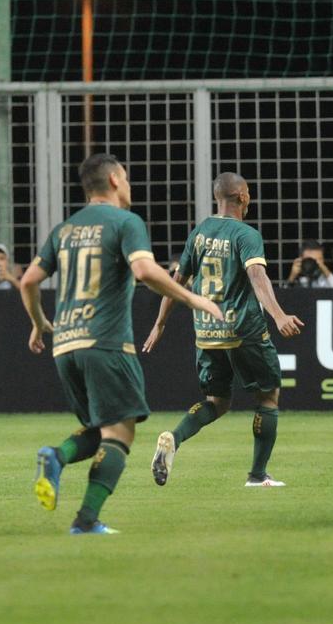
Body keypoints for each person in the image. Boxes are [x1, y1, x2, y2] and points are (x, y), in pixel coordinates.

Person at [20, 154, 222, 535]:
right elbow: (144, 270)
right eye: (126, 178)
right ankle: (83, 516)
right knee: (121, 434)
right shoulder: (126, 222)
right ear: (114, 179)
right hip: (106, 343)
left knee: (102, 430)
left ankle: (57, 460)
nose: (128, 185)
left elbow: (28, 280)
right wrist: (193, 299)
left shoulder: (65, 229)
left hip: (65, 345)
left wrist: (37, 322)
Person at [142, 172, 304, 488]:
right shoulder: (246, 234)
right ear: (242, 196)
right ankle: (257, 475)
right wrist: (279, 315)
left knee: (217, 401)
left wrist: (159, 324)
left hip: (206, 332)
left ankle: (174, 438)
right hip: (243, 329)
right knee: (268, 396)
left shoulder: (199, 232)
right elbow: (257, 276)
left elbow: (176, 283)